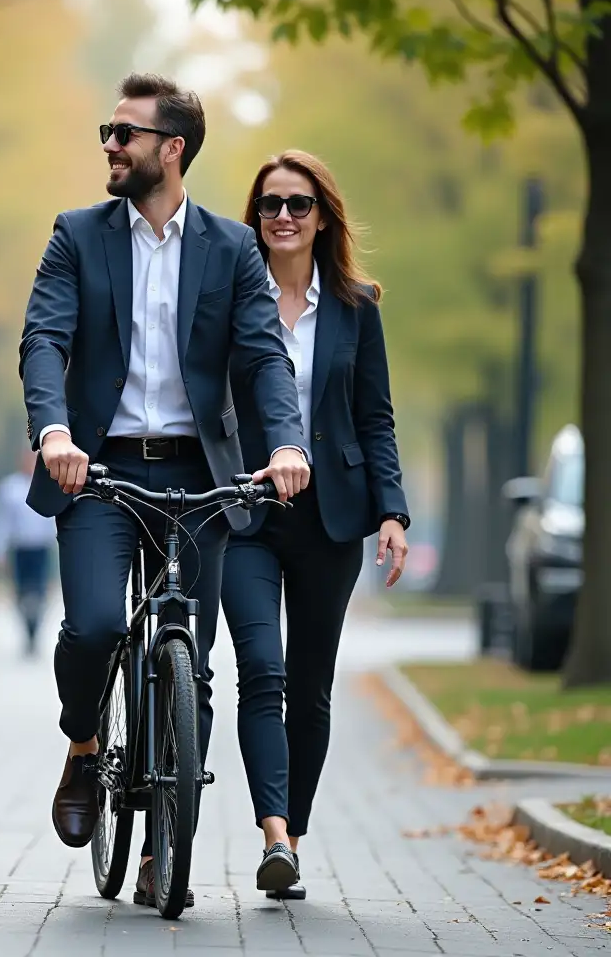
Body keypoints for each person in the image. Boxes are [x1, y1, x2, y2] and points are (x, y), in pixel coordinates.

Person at [19, 73, 310, 909]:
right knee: (98, 626)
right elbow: (45, 337)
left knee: (194, 662)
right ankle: (83, 747)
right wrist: (54, 432)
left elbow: (261, 358)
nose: (109, 147)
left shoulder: (231, 248)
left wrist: (287, 442)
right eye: (107, 134)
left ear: (171, 149)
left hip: (197, 473)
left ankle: (161, 846)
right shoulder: (77, 236)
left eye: (124, 134)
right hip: (99, 469)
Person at [220, 149, 410, 899]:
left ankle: (292, 837)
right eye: (270, 204)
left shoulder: (357, 305)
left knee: (311, 685)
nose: (284, 217)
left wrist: (392, 511)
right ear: (255, 217)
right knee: (260, 670)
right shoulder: (233, 297)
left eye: (299, 203)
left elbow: (376, 416)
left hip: (332, 519)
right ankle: (272, 831)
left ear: (322, 214)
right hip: (247, 510)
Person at [0, 450, 57, 655]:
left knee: (40, 593)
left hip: (42, 549)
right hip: (20, 549)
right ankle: (27, 627)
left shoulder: (48, 484)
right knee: (21, 592)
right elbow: (1, 522)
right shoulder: (10, 488)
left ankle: (36, 627)